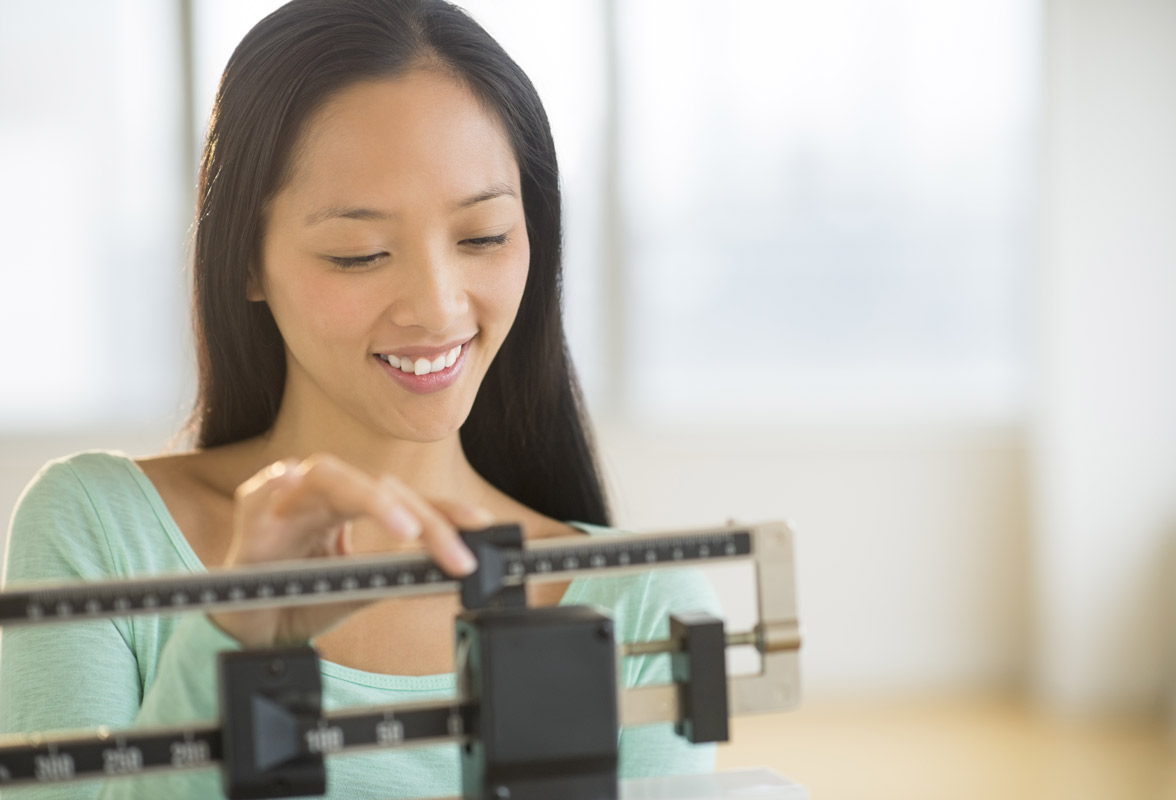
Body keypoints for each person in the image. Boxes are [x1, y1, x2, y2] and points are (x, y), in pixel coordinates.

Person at [0, 0, 719, 797]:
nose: (440, 307)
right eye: (360, 253)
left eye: (483, 236)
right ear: (245, 261)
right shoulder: (98, 530)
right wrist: (229, 643)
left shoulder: (643, 601)